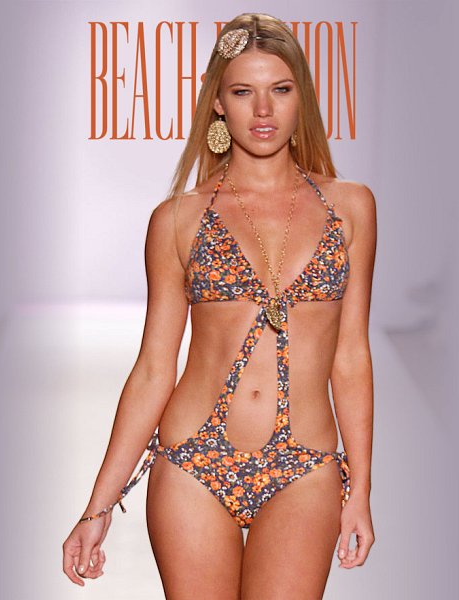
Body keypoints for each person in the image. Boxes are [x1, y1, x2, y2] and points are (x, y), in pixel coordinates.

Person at [62, 12, 376, 599]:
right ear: (217, 103)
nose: (264, 109)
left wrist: (359, 489)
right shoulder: (177, 219)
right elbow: (154, 368)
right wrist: (97, 507)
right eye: (242, 92)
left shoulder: (351, 207)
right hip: (192, 462)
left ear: (302, 98)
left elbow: (351, 356)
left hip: (305, 465)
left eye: (280, 89)